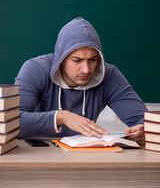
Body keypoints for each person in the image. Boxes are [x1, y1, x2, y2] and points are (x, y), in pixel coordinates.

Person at [15, 17, 148, 146]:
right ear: (61, 59)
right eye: (77, 60)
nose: (86, 70)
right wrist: (61, 117)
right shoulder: (35, 69)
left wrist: (142, 130)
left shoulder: (109, 75)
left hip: (84, 156)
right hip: (36, 154)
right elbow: (11, 122)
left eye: (93, 59)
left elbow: (146, 121)